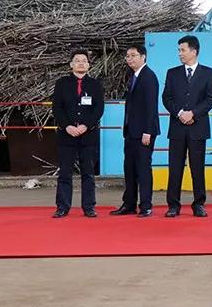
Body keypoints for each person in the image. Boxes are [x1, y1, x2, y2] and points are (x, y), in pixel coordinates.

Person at [161, 34, 212, 217]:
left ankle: (199, 204)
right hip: (177, 128)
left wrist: (192, 113)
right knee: (175, 168)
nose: (180, 53)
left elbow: (210, 100)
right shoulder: (172, 73)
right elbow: (166, 98)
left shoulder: (209, 73)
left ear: (194, 51)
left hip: (198, 127)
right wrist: (180, 113)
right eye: (178, 50)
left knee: (197, 168)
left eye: (183, 50)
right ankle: (173, 205)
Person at [51, 49, 105, 218]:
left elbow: (99, 108)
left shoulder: (95, 84)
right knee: (65, 173)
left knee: (88, 172)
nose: (81, 63)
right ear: (71, 64)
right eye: (77, 60)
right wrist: (67, 126)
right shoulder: (62, 83)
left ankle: (89, 207)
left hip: (88, 135)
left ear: (88, 65)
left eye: (84, 60)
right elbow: (57, 108)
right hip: (66, 134)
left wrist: (86, 126)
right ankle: (62, 207)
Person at [110, 44, 160, 218]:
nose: (129, 59)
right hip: (131, 131)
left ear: (143, 56)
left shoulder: (149, 76)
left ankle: (146, 205)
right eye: (127, 56)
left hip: (144, 132)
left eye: (133, 55)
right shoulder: (134, 76)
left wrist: (148, 131)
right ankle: (129, 204)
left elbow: (151, 106)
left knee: (143, 168)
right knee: (129, 168)